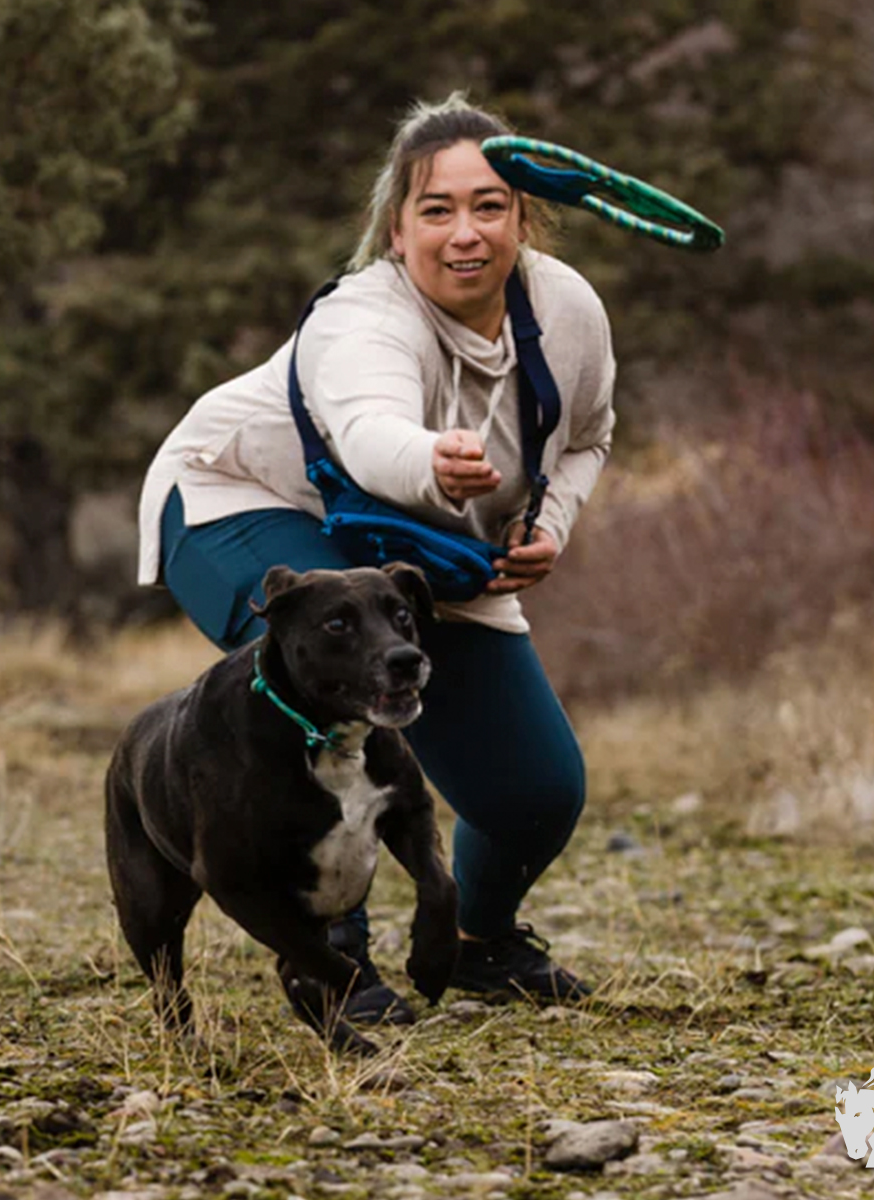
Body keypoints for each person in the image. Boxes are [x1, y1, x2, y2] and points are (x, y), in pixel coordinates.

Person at [136, 93, 616, 1024]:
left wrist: (551, 523)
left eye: (489, 206)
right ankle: (333, 967)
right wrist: (431, 458)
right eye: (437, 209)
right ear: (397, 229)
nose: (465, 232)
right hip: (241, 503)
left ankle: (478, 941)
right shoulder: (361, 318)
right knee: (322, 699)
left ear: (524, 217)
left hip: (418, 547)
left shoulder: (567, 309)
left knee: (535, 793)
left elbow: (591, 435)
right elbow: (367, 431)